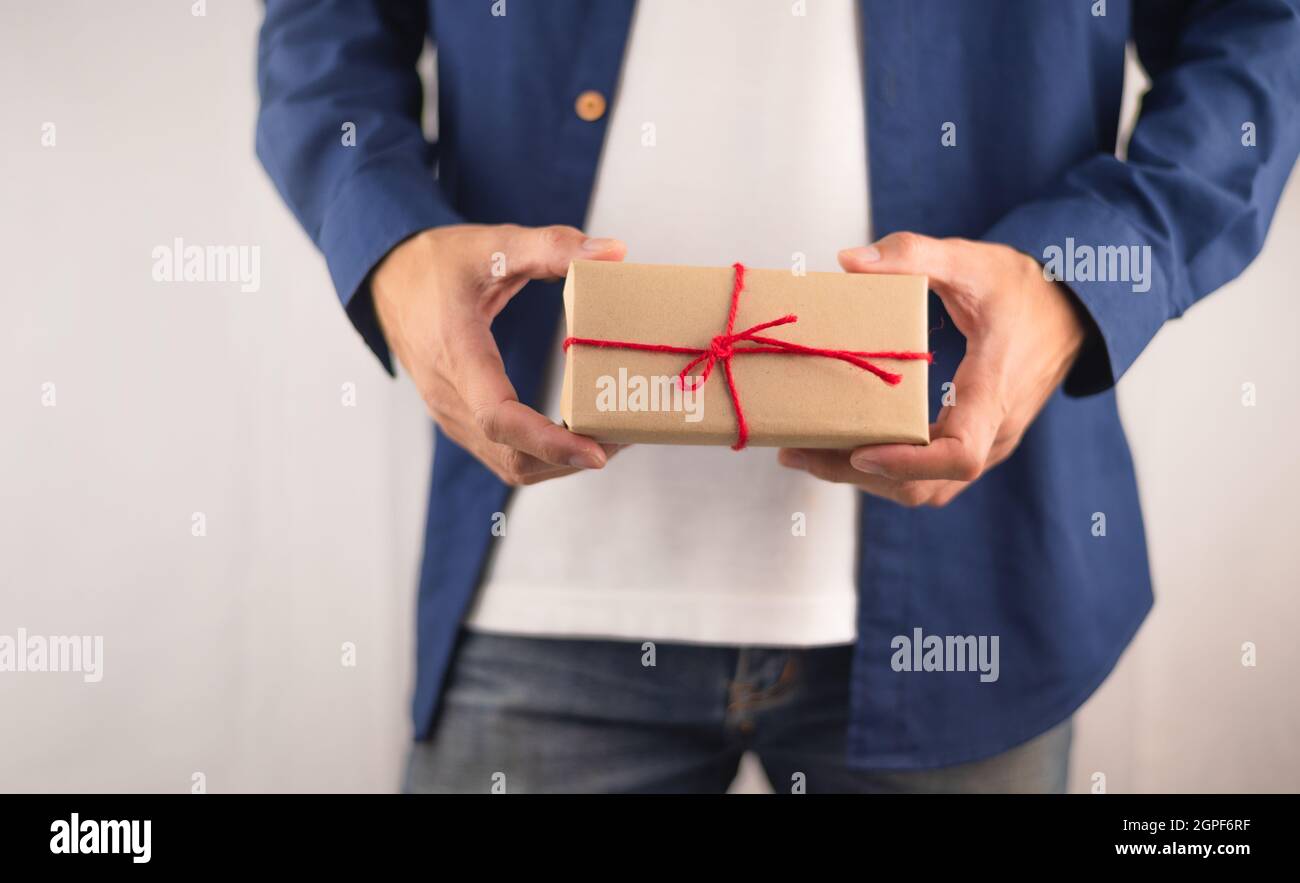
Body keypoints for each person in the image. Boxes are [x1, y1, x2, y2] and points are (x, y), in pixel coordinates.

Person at [255, 0, 1300, 793]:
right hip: (538, 577)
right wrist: (384, 242)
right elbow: (326, 29)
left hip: (980, 580)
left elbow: (1257, 27)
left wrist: (1089, 272)